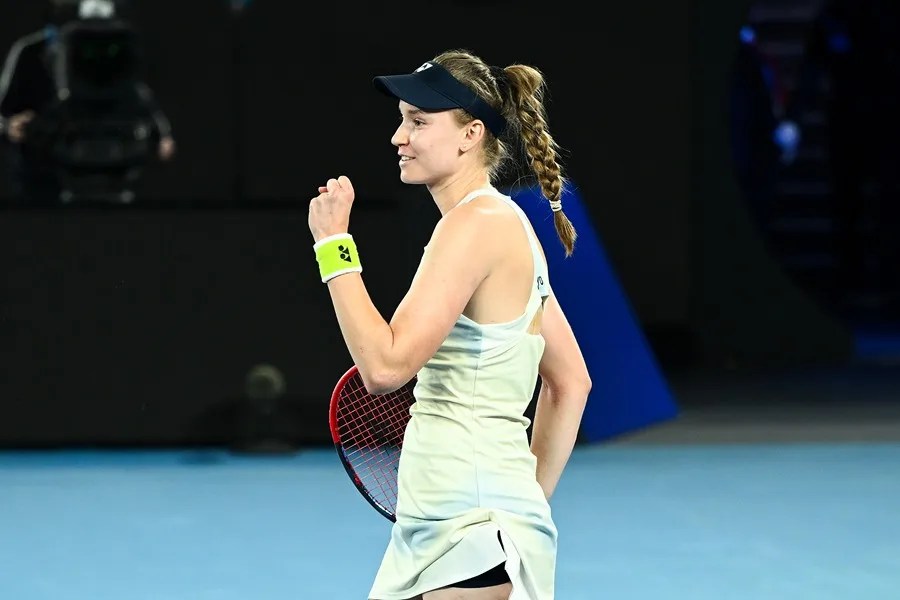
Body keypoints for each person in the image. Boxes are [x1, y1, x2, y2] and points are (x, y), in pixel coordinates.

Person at [307, 49, 592, 599]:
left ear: (471, 135)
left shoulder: (474, 226)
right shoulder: (503, 223)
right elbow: (571, 381)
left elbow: (386, 367)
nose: (399, 137)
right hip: (471, 524)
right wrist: (523, 501)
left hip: (470, 537)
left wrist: (333, 247)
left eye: (418, 122)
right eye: (401, 120)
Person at [0, 0, 175, 206]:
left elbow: (144, 101)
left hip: (118, 174)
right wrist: (12, 126)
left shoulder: (126, 50)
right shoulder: (30, 52)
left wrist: (162, 136)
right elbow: (3, 116)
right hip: (43, 185)